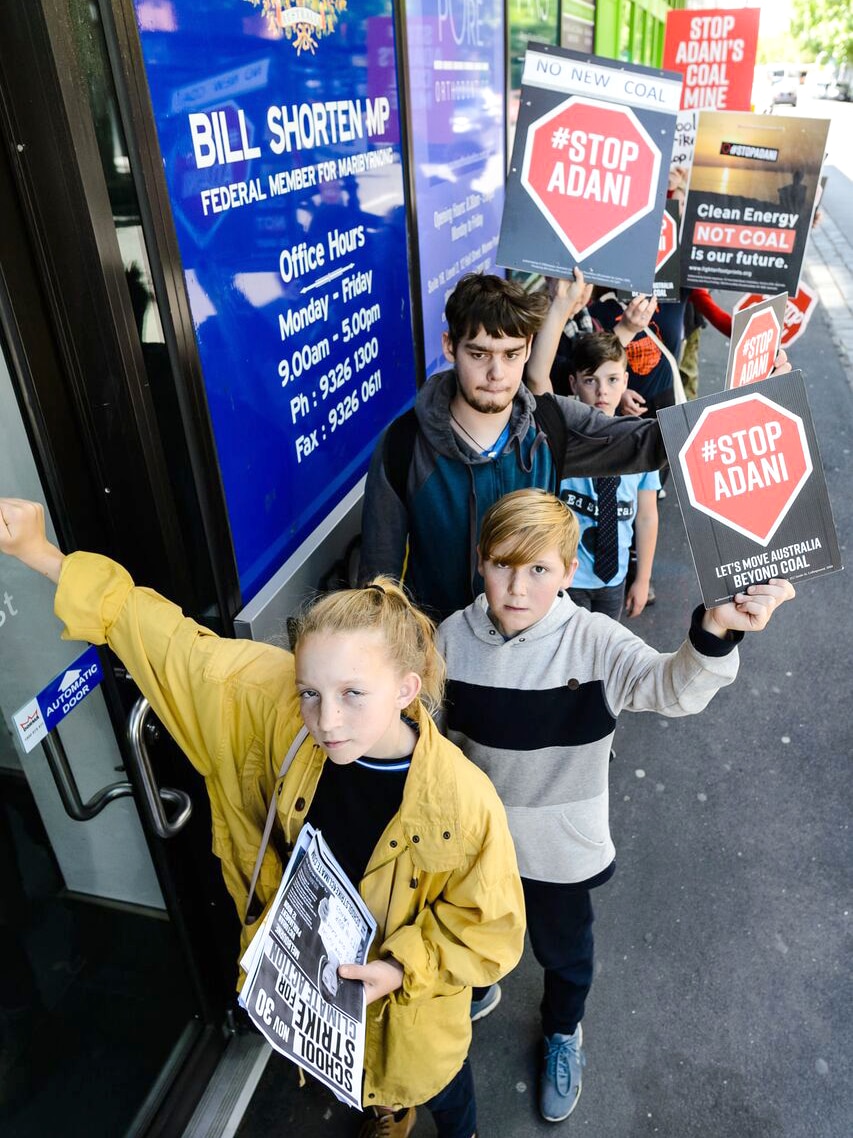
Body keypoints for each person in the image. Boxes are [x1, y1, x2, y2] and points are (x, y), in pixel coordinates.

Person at [0, 498, 525, 1138]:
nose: (325, 721)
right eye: (310, 691)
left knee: (439, 1093)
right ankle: (384, 1114)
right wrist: (40, 554)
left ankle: (428, 1117)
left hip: (416, 1030)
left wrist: (400, 968)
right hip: (323, 1013)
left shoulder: (464, 804)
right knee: (371, 1095)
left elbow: (491, 933)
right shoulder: (266, 705)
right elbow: (170, 641)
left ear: (407, 690)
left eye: (354, 695)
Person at [435, 489, 795, 1124]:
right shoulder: (450, 640)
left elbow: (670, 687)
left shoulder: (596, 641)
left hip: (560, 849)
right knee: (474, 930)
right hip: (476, 849)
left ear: (570, 572)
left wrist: (715, 632)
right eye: (502, 565)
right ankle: (483, 982)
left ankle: (563, 1031)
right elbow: (433, 742)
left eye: (539, 569)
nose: (518, 588)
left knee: (564, 953)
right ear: (480, 562)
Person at [359, 273, 667, 621]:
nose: (496, 373)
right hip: (439, 654)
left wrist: (734, 413)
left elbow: (647, 442)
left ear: (529, 350)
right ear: (449, 346)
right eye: (479, 354)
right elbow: (378, 583)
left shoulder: (552, 425)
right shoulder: (405, 443)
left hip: (533, 655)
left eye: (510, 355)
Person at [559, 334, 660, 620]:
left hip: (614, 578)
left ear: (626, 382)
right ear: (573, 384)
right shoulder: (561, 438)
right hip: (567, 578)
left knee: (605, 652)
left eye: (613, 380)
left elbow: (646, 516)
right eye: (590, 380)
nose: (602, 391)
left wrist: (641, 579)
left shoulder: (639, 441)